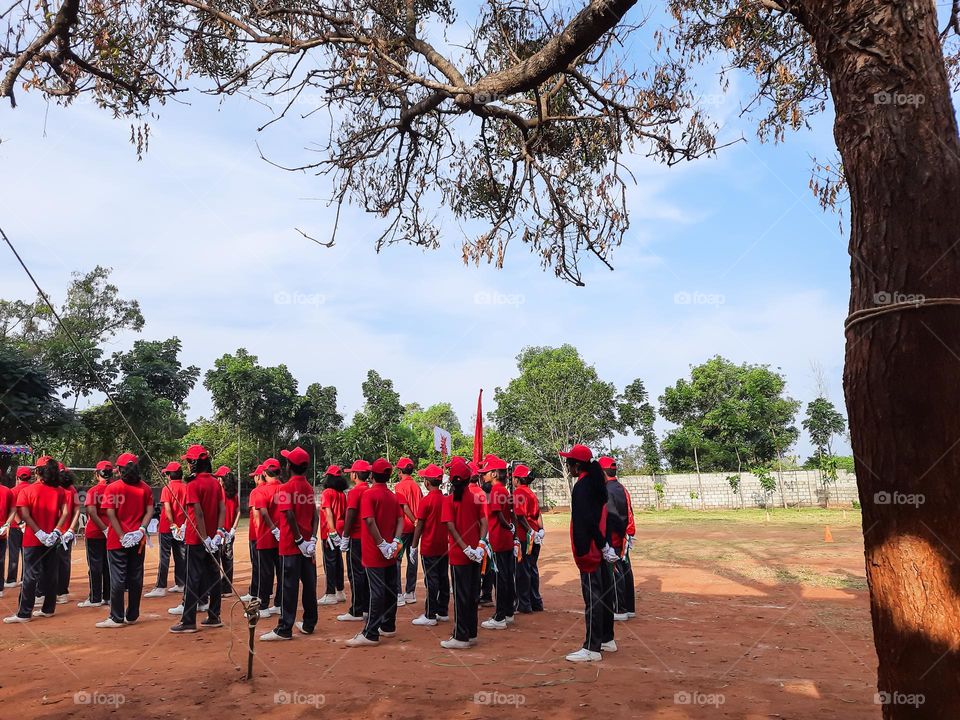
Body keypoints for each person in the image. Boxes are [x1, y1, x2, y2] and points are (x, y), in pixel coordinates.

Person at [561, 444, 618, 662]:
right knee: (604, 594)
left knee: (593, 597)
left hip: (591, 549)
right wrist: (607, 545)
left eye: (569, 463)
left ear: (577, 466)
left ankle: (592, 647)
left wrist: (601, 545)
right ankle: (606, 638)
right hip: (601, 546)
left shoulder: (583, 486)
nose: (568, 468)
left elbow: (587, 520)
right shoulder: (596, 483)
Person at [261, 447, 319, 641]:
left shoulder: (285, 488)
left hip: (290, 544)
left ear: (290, 466)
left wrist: (299, 540)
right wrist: (311, 539)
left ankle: (285, 628)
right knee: (309, 585)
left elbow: (289, 515)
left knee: (289, 586)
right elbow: (315, 516)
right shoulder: (308, 487)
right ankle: (309, 623)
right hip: (307, 546)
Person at [169, 444, 227, 634]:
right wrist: (217, 533)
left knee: (192, 579)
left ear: (194, 463)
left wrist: (204, 538)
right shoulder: (215, 483)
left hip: (197, 539)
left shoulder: (193, 485)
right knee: (214, 577)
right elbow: (222, 509)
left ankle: (188, 620)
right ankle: (214, 615)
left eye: (188, 461)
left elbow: (199, 514)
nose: (186, 465)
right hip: (213, 539)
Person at [345, 458, 403, 647]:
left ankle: (370, 632)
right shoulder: (392, 495)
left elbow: (369, 521)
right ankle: (388, 625)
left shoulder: (369, 495)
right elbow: (400, 520)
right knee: (390, 588)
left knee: (376, 591)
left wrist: (381, 544)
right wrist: (394, 541)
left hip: (374, 551)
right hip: (390, 551)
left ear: (372, 475)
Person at [4, 456, 67, 623]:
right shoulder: (60, 491)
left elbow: (24, 514)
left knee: (30, 575)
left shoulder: (28, 491)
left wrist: (38, 532)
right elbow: (66, 512)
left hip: (33, 538)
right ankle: (48, 608)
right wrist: (55, 531)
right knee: (51, 573)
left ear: (38, 471)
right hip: (53, 539)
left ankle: (24, 612)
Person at [96, 453, 153, 628]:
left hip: (116, 540)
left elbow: (111, 513)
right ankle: (133, 613)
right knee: (136, 576)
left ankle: (116, 617)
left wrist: (121, 535)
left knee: (118, 578)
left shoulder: (112, 488)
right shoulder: (145, 488)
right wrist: (141, 530)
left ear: (119, 470)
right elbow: (149, 511)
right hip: (138, 539)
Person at [440, 457, 487, 649]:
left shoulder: (449, 500)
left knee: (461, 595)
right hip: (475, 554)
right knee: (472, 594)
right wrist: (480, 545)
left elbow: (450, 527)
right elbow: (484, 523)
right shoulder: (476, 497)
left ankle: (461, 636)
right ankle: (471, 632)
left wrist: (465, 548)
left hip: (460, 555)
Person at [479, 454, 515, 631]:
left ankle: (500, 616)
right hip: (505, 538)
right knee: (506, 576)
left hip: (499, 538)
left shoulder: (496, 491)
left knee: (500, 577)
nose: (483, 476)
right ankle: (508, 612)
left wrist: (507, 526)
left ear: (494, 474)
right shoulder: (504, 490)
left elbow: (499, 514)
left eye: (485, 473)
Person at [409, 463, 448, 627]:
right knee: (443, 578)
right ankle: (443, 611)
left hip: (429, 546)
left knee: (431, 580)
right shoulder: (445, 499)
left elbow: (419, 525)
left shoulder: (426, 501)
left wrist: (414, 545)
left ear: (427, 482)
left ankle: (430, 613)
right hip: (443, 546)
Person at [599, 457, 635, 621]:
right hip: (626, 533)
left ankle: (619, 608)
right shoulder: (621, 488)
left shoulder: (606, 490)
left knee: (615, 571)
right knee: (625, 568)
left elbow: (611, 516)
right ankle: (629, 607)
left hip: (615, 534)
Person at [146, 462, 187, 600]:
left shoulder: (167, 489)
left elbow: (168, 508)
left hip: (167, 527)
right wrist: (182, 525)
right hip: (181, 528)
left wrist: (172, 524)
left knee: (165, 556)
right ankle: (181, 583)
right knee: (180, 556)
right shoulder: (187, 488)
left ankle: (160, 587)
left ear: (169, 475)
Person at [337, 459, 371, 623]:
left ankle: (357, 610)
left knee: (355, 574)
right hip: (368, 538)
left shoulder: (355, 492)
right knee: (365, 574)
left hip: (356, 538)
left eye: (351, 472)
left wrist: (345, 536)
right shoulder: (369, 490)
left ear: (355, 474)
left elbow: (350, 514)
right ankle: (365, 607)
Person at [250, 458, 284, 618]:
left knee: (265, 573)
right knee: (282, 571)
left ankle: (263, 606)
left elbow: (260, 515)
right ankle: (279, 603)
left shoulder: (259, 491)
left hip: (265, 537)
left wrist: (267, 531)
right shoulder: (285, 489)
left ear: (264, 473)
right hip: (283, 537)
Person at [79, 460, 114, 608]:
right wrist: (108, 529)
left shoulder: (93, 491)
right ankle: (107, 596)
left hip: (95, 532)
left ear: (97, 474)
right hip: (112, 531)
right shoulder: (116, 489)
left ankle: (95, 598)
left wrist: (102, 529)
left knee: (95, 566)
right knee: (108, 565)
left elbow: (92, 512)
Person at [512, 464, 545, 613]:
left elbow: (519, 515)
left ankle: (524, 604)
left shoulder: (518, 492)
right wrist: (540, 530)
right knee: (532, 568)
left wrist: (530, 531)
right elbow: (538, 514)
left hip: (525, 536)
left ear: (518, 479)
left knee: (523, 570)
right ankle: (536, 601)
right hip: (535, 535)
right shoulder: (531, 493)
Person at [392, 456, 421, 605]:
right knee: (412, 558)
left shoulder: (399, 487)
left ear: (400, 471)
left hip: (404, 527)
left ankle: (398, 593)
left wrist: (413, 519)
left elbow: (403, 506)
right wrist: (417, 521)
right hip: (416, 528)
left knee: (397, 559)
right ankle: (410, 592)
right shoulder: (416, 486)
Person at [318, 464, 347, 605]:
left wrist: (331, 530)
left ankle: (330, 593)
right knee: (338, 561)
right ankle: (340, 591)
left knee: (329, 561)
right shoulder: (342, 494)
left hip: (330, 530)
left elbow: (328, 512)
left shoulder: (327, 493)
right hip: (340, 529)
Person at [55, 464, 81, 604]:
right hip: (66, 532)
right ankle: (62, 592)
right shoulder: (72, 489)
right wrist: (71, 529)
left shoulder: (54, 489)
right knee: (64, 562)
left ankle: (47, 593)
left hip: (53, 531)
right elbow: (77, 510)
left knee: (49, 563)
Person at [4, 466, 32, 588]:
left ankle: (11, 579)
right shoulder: (33, 489)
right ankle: (25, 577)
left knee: (13, 554)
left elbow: (13, 510)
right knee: (27, 553)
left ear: (17, 477)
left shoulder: (13, 491)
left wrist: (19, 523)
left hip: (16, 526)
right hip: (30, 526)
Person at [240, 464, 264, 603]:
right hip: (268, 535)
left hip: (257, 534)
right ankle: (260, 590)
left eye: (255, 475)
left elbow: (256, 516)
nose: (254, 478)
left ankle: (255, 591)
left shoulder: (256, 492)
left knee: (257, 565)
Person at [215, 466, 240, 597]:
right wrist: (233, 530)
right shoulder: (234, 494)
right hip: (227, 531)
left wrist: (229, 531)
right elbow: (239, 512)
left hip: (220, 531)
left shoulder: (219, 492)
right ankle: (226, 587)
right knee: (227, 559)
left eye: (219, 477)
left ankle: (222, 587)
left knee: (219, 558)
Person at [472, 462, 494, 607]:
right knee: (489, 566)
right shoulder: (484, 491)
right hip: (489, 532)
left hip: (478, 534)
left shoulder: (473, 492)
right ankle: (486, 595)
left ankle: (476, 598)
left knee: (476, 567)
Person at [0, 477, 13, 598]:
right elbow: (13, 510)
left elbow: (13, 509)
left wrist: (6, 524)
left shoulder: (7, 491)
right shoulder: (8, 491)